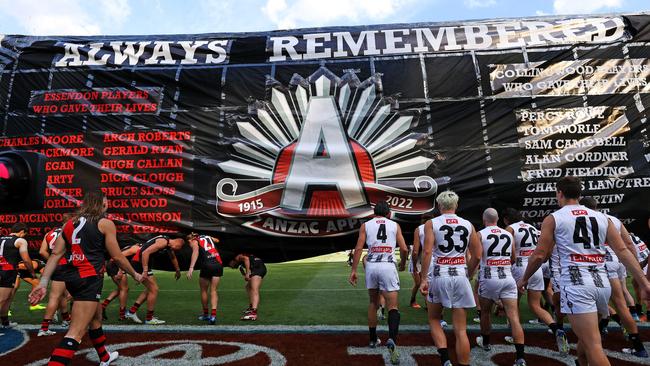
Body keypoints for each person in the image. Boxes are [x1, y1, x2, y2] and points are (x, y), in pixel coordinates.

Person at [518, 176, 650, 366]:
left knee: (593, 345)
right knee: (588, 338)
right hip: (601, 282)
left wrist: (524, 279)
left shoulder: (554, 218)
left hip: (577, 284)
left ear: (559, 193)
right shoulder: (602, 217)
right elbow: (623, 250)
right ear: (580, 194)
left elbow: (540, 255)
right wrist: (644, 283)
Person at [28, 191, 143, 366]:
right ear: (102, 204)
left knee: (95, 318)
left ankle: (104, 357)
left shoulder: (69, 224)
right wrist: (135, 274)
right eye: (107, 202)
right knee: (75, 332)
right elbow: (118, 257)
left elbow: (55, 254)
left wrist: (43, 282)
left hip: (72, 278)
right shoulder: (105, 223)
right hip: (89, 279)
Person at [579, 197, 648, 357]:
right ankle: (603, 328)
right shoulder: (613, 219)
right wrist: (635, 265)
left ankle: (637, 346)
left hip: (602, 263)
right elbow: (629, 244)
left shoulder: (583, 220)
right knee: (618, 298)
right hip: (618, 262)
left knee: (616, 303)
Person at [420, 191, 481, 366]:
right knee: (461, 330)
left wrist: (424, 278)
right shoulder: (468, 224)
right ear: (456, 205)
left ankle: (446, 360)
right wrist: (468, 273)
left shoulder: (432, 223)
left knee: (434, 318)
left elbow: (427, 251)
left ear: (439, 206)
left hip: (440, 275)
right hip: (460, 275)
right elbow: (477, 255)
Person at [349, 201, 408, 365]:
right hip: (388, 265)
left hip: (372, 266)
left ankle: (373, 339)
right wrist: (403, 263)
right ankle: (392, 340)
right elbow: (404, 249)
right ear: (389, 213)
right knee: (393, 307)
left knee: (373, 303)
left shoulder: (366, 225)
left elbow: (359, 248)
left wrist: (353, 270)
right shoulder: (394, 225)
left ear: (374, 213)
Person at [503, 208, 566, 353]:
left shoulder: (511, 228)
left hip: (519, 266)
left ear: (507, 219)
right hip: (535, 267)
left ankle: (515, 335)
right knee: (535, 305)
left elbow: (509, 250)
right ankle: (556, 329)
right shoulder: (531, 227)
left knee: (513, 306)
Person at [474, 208, 525, 366]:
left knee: (485, 313)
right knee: (514, 318)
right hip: (507, 278)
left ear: (484, 219)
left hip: (489, 277)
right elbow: (514, 258)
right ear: (497, 219)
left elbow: (476, 257)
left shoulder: (480, 234)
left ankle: (486, 343)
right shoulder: (508, 234)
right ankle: (520, 357)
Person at [124, 235, 184, 325]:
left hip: (140, 263)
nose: (176, 250)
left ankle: (131, 312)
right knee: (154, 290)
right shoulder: (163, 242)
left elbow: (173, 258)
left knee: (150, 289)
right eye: (178, 248)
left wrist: (178, 270)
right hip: (139, 263)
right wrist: (144, 271)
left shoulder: (168, 244)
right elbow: (145, 253)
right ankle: (149, 318)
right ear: (178, 244)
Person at [38, 226, 72, 336]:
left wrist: (53, 261)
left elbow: (42, 251)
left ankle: (65, 320)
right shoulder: (71, 230)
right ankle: (45, 327)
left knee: (59, 295)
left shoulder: (49, 233)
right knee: (73, 295)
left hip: (57, 267)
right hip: (69, 266)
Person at [0, 223, 35, 328]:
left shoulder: (1, 238)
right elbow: (26, 259)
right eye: (25, 234)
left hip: (4, 270)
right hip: (7, 271)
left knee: (8, 297)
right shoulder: (20, 241)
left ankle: (5, 322)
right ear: (22, 231)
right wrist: (32, 272)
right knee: (2, 298)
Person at [187, 233, 223, 325]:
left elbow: (195, 252)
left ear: (191, 239)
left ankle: (206, 314)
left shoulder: (195, 241)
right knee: (214, 291)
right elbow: (217, 240)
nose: (189, 245)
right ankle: (213, 316)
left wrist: (191, 268)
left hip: (207, 265)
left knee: (203, 290)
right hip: (218, 264)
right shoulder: (207, 236)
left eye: (189, 243)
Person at [228, 253, 267, 321]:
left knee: (254, 289)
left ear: (231, 261)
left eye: (230, 265)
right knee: (248, 287)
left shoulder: (237, 257)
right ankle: (251, 307)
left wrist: (248, 273)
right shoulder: (240, 264)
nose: (231, 267)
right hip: (258, 267)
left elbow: (246, 259)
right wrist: (247, 275)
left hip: (257, 268)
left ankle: (253, 314)